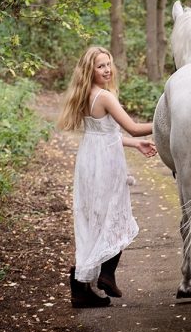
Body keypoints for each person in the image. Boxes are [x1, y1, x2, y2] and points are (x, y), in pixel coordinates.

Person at [56, 46, 157, 308]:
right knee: (114, 216)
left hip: (90, 159)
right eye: (101, 65)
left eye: (109, 64)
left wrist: (136, 145)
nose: (107, 69)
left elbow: (105, 134)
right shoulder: (104, 96)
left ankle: (81, 287)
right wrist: (167, 123)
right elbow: (134, 128)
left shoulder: (85, 94)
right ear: (90, 69)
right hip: (105, 164)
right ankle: (106, 274)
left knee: (94, 219)